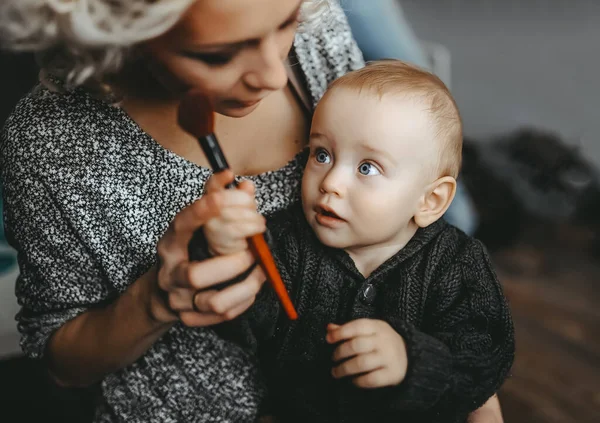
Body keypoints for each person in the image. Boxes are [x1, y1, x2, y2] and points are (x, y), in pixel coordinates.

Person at [0, 0, 503, 421]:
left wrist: (438, 373)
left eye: (285, 22)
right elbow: (62, 361)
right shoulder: (49, 141)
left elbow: (470, 341)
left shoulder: (316, 20)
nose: (270, 73)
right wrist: (159, 296)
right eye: (218, 55)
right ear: (124, 33)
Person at [198, 61, 515, 422]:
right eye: (322, 154)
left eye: (367, 167)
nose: (331, 181)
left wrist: (413, 360)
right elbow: (244, 323)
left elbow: (485, 358)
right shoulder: (286, 242)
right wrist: (225, 250)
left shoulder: (458, 263)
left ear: (430, 201)